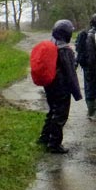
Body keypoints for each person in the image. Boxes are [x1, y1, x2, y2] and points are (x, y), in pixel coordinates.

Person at [38, 20, 83, 154]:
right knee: (60, 114)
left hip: (50, 84)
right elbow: (70, 71)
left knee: (52, 111)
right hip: (61, 86)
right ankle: (55, 144)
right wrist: (76, 92)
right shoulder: (64, 49)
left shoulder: (51, 44)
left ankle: (45, 137)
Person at [75, 13, 96, 122]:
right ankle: (91, 112)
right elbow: (90, 53)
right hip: (91, 67)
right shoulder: (89, 34)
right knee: (91, 89)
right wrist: (91, 68)